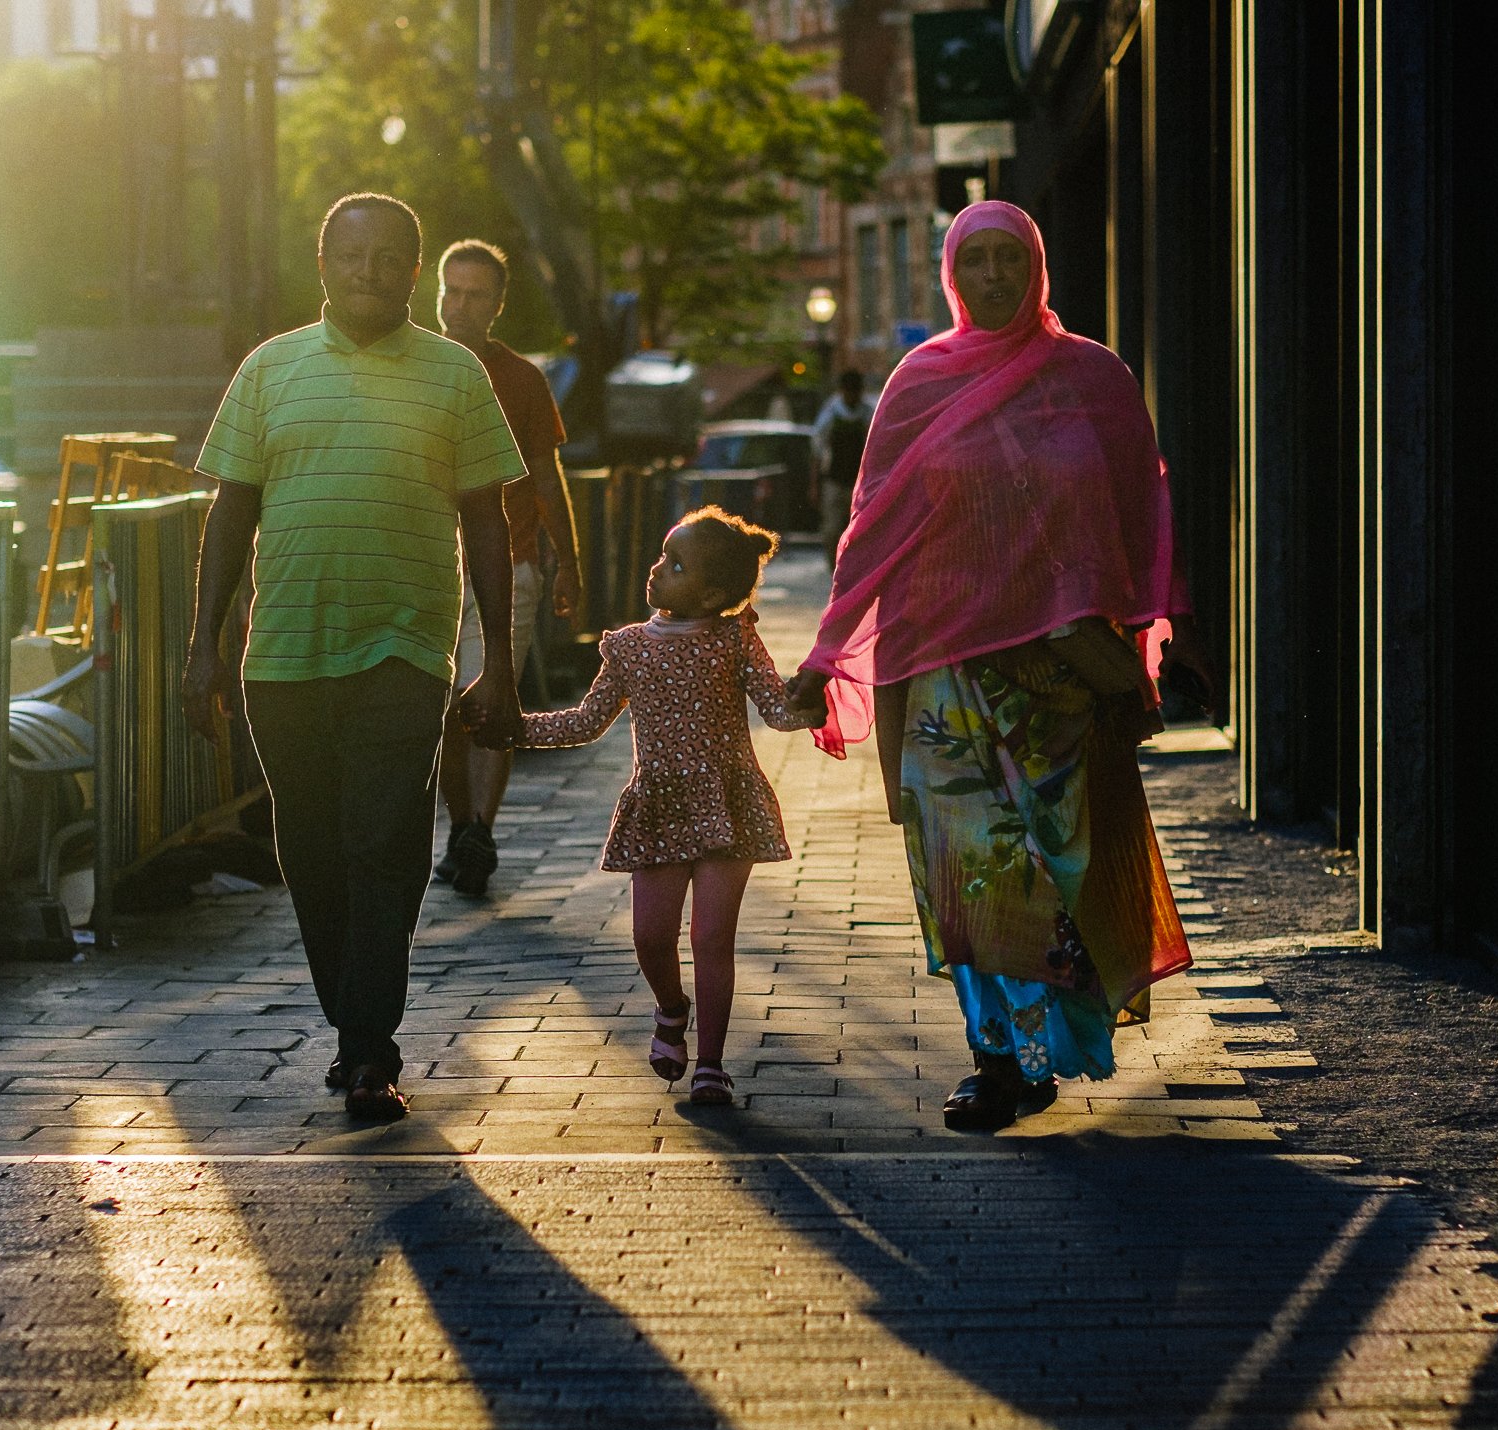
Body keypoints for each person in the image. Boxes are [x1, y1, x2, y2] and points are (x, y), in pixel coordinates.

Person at [784, 200, 1219, 1132]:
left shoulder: (1092, 378)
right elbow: (873, 528)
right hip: (939, 668)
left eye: (1007, 259)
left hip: (1059, 677)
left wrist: (1166, 626)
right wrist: (827, 650)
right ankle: (999, 1062)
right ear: (951, 273)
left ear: (1036, 267)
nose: (991, 276)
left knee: (1057, 862)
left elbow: (1145, 507)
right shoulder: (918, 383)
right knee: (969, 871)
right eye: (974, 260)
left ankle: (1044, 1048)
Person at [181, 193, 528, 1125]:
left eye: (388, 259)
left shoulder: (455, 376)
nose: (369, 273)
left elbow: (487, 522)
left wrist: (495, 661)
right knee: (314, 854)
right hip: (283, 656)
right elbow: (230, 514)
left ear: (412, 273)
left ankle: (369, 1046)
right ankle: (356, 1024)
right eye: (352, 256)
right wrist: (203, 647)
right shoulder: (269, 369)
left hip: (404, 649)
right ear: (324, 263)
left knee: (385, 844)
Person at [504, 508, 823, 1107]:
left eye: (674, 565)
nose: (656, 571)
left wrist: (812, 697)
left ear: (711, 593)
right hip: (659, 805)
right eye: (661, 556)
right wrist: (515, 728)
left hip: (729, 803)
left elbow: (778, 713)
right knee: (651, 936)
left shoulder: (735, 640)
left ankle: (711, 1064)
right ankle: (671, 1009)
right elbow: (585, 722)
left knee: (710, 937)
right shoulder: (627, 647)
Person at [433, 238, 587, 898]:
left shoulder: (522, 380)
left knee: (491, 698)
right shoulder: (408, 366)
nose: (461, 306)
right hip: (426, 565)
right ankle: (461, 824)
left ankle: (480, 832)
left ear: (497, 305)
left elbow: (548, 476)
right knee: (438, 708)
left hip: (511, 562)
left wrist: (568, 564)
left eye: (475, 296)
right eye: (451, 292)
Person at [809, 369, 873, 567]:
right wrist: (814, 485)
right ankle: (834, 566)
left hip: (859, 482)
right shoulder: (831, 414)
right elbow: (817, 452)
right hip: (834, 480)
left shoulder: (867, 414)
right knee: (831, 530)